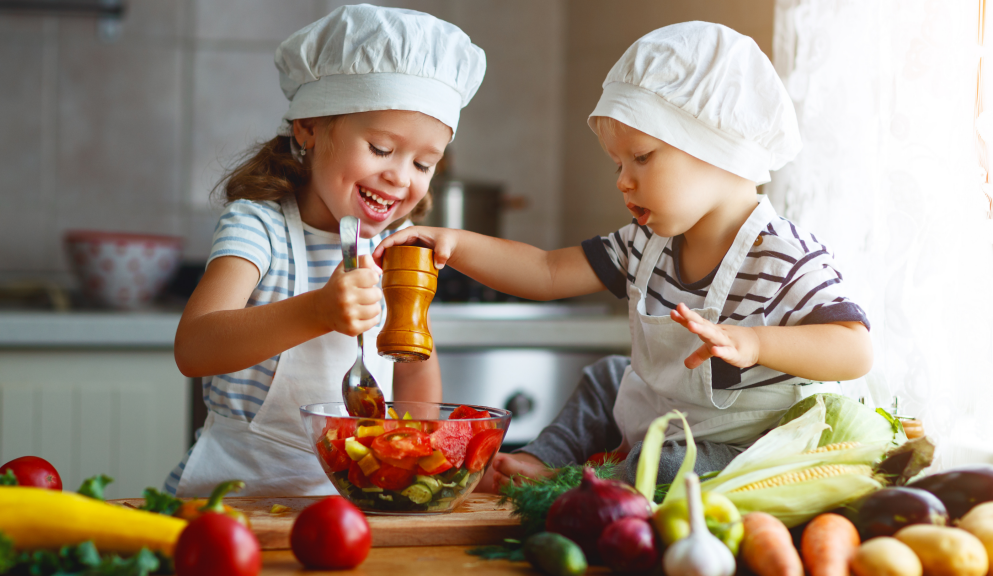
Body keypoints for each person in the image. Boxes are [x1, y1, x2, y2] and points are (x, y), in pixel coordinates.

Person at [374, 22, 873, 490]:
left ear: (718, 149)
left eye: (642, 157)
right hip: (667, 414)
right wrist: (456, 245)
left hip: (745, 443)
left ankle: (585, 486)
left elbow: (855, 349)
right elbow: (546, 272)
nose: (622, 181)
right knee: (605, 378)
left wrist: (754, 344)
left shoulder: (783, 256)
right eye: (618, 163)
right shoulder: (644, 245)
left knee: (671, 462)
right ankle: (544, 459)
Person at [163, 4, 485, 497]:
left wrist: (420, 462)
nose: (401, 177)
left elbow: (414, 367)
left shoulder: (392, 250)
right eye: (381, 149)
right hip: (233, 498)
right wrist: (317, 310)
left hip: (352, 502)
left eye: (424, 163)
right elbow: (195, 347)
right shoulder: (259, 227)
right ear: (308, 128)